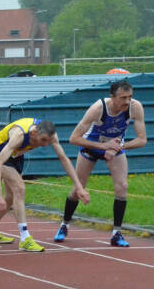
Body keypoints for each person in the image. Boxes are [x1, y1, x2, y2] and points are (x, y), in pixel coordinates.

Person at [55, 81, 146, 246]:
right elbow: (74, 138)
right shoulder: (99, 108)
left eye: (130, 97)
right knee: (78, 188)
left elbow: (142, 140)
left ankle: (117, 233)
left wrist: (119, 146)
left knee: (122, 186)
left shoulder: (135, 107)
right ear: (112, 97)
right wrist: (103, 146)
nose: (127, 102)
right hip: (91, 146)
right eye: (123, 98)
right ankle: (64, 224)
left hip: (114, 147)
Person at [0, 118, 90, 251]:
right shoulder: (19, 135)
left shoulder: (51, 135)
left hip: (17, 155)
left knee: (10, 197)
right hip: (1, 151)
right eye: (43, 140)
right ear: (34, 133)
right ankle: (25, 238)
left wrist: (79, 188)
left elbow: (63, 158)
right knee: (19, 188)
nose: (46, 145)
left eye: (48, 141)